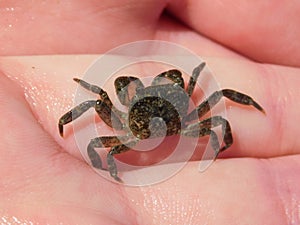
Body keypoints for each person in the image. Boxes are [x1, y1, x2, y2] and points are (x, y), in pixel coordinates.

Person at [0, 1, 299, 224]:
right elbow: (221, 114)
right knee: (218, 113)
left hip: (137, 135)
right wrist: (223, 145)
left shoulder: (123, 122)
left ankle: (110, 171)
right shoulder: (190, 106)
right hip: (183, 128)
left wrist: (108, 167)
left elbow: (95, 122)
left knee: (97, 124)